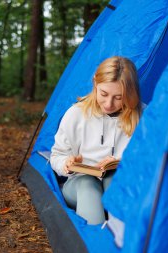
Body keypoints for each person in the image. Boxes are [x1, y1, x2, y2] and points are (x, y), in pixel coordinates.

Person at [50, 56, 143, 225]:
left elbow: (153, 161)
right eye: (104, 94)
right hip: (79, 184)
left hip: (122, 183)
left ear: (130, 93)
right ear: (95, 83)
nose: (108, 104)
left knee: (114, 178)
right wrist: (67, 163)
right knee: (88, 184)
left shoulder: (144, 116)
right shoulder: (76, 114)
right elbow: (56, 156)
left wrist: (122, 162)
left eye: (118, 97)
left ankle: (120, 235)